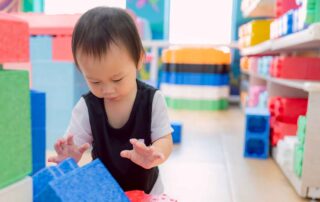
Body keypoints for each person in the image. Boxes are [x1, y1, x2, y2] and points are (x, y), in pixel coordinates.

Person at [48, 6, 173, 194]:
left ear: (139, 59)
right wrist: (70, 155)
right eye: (95, 81)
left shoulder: (152, 100)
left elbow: (164, 138)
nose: (107, 89)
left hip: (148, 191)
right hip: (102, 190)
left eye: (117, 79)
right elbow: (75, 143)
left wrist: (156, 155)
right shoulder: (87, 107)